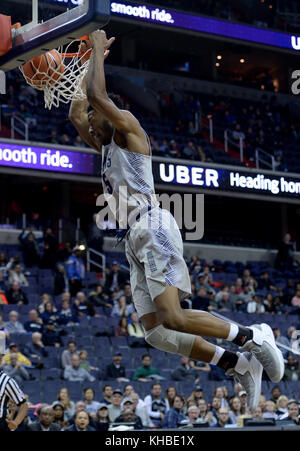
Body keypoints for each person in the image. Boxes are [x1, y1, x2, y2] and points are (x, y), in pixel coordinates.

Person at [69, 29, 284, 411]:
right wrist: (78, 62)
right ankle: (237, 363)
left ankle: (253, 335)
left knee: (173, 315)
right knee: (156, 332)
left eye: (93, 116)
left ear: (106, 116)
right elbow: (76, 110)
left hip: (152, 225)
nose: (88, 120)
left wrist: (98, 52)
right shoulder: (102, 146)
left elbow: (97, 97)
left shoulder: (128, 130)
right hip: (132, 238)